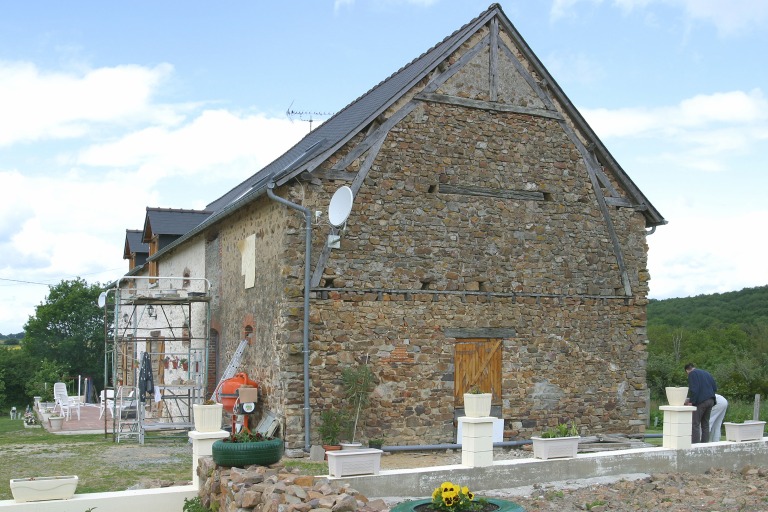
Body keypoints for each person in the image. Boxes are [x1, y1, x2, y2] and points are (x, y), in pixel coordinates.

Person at [685, 363, 717, 443]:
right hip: (711, 400)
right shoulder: (707, 373)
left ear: (687, 370)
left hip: (701, 402)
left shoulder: (692, 374)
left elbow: (694, 389)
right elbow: (715, 387)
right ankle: (705, 444)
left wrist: (692, 402)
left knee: (695, 424)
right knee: (705, 424)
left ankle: (695, 445)